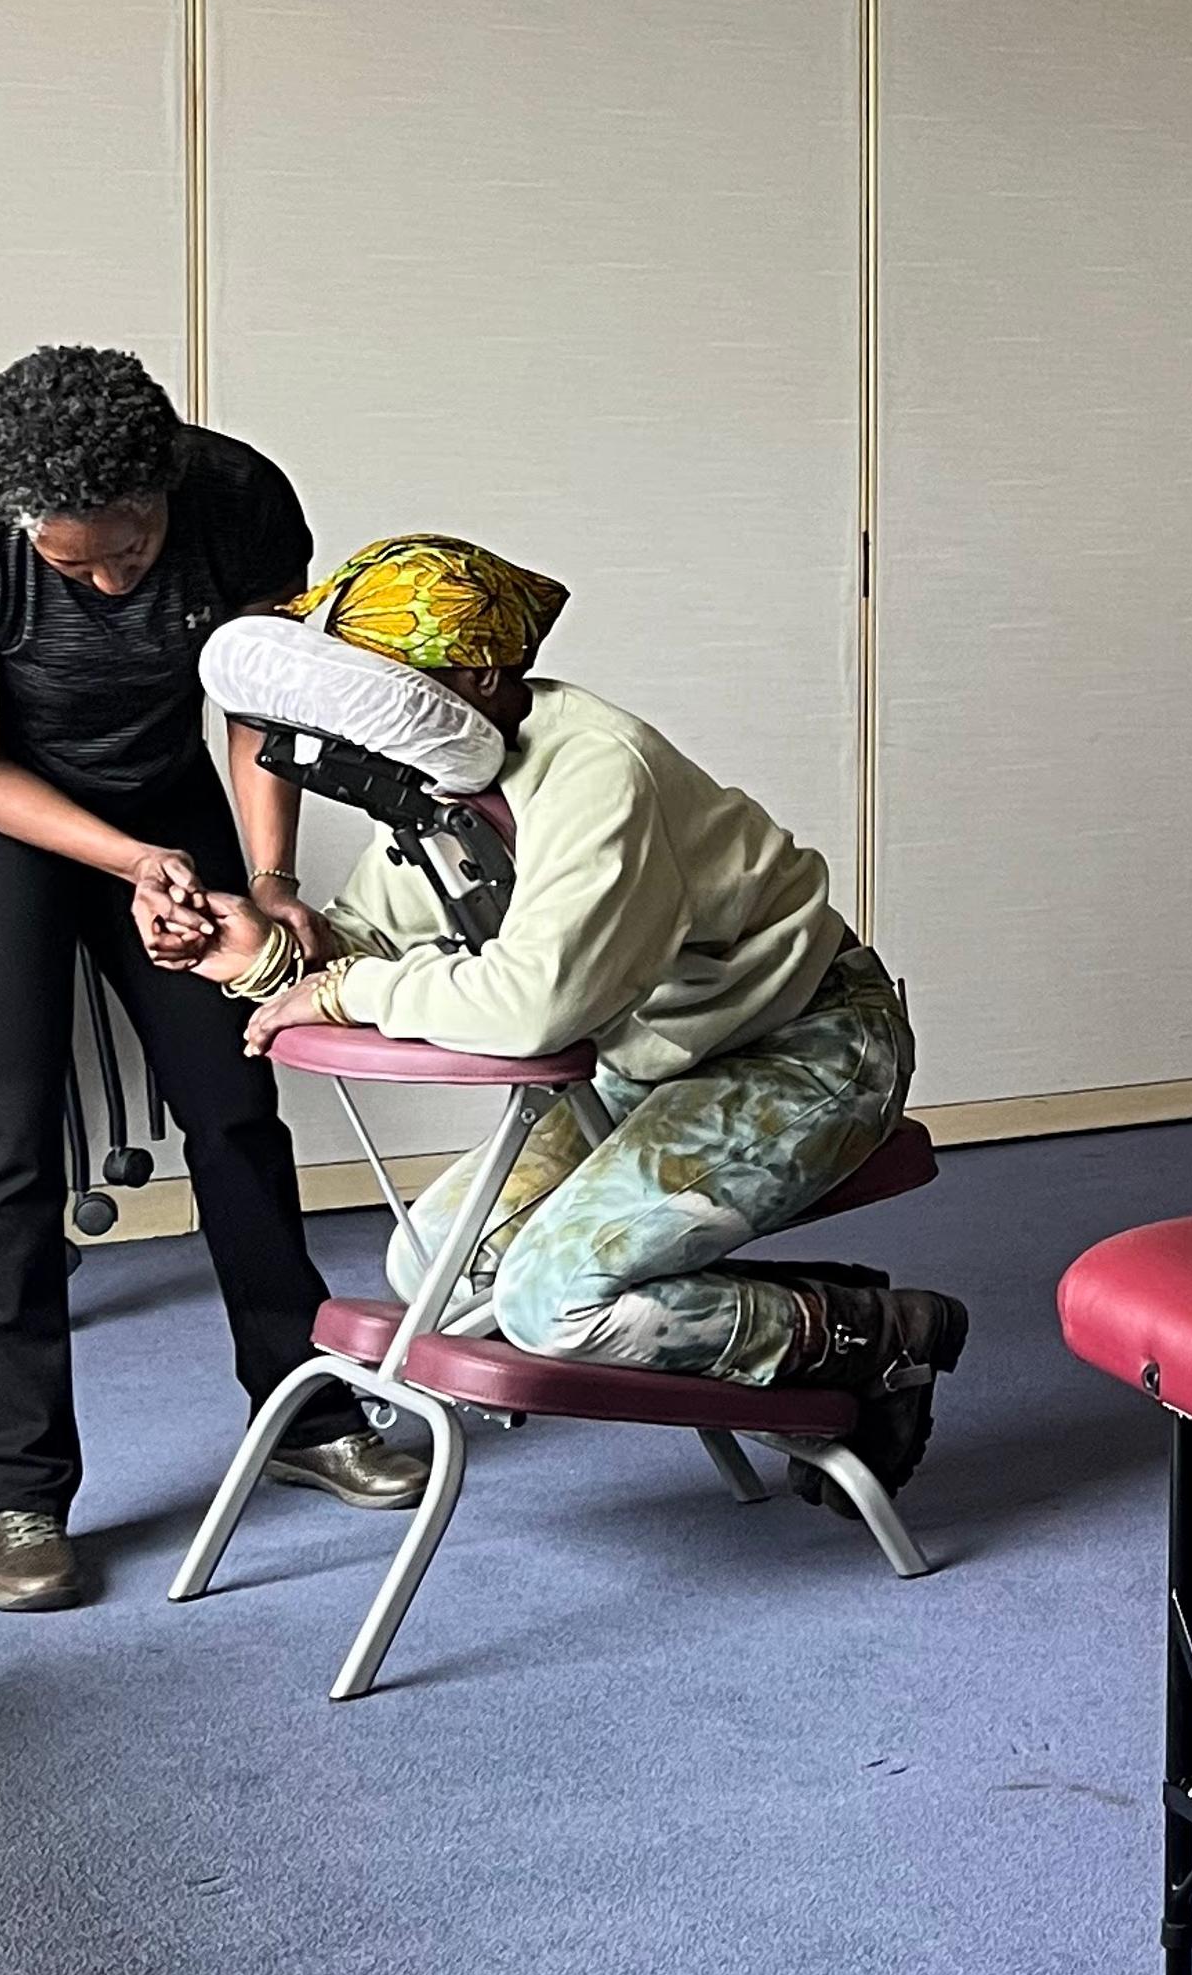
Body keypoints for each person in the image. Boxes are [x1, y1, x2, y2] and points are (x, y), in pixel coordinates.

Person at [156, 535, 965, 1487]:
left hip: (804, 1043)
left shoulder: (595, 773)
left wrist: (341, 988)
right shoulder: (449, 788)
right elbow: (368, 939)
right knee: (434, 1266)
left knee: (553, 1304)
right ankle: (810, 1316)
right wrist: (261, 953)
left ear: (483, 674)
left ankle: (875, 1336)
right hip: (647, 1062)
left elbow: (533, 1009)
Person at [0, 345, 421, 1614]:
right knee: (6, 1132)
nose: (115, 577)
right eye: (80, 564)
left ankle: (303, 1407)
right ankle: (20, 1492)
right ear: (22, 528)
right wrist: (136, 863)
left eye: (132, 547)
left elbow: (260, 703)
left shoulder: (240, 497)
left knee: (232, 1094)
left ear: (167, 481)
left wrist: (270, 880)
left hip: (164, 779)